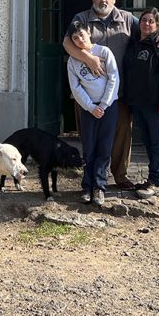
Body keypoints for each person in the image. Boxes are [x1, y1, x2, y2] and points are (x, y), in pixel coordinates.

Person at [63, 0, 159, 191]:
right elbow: (67, 43)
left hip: (119, 92)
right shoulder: (82, 18)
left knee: (122, 136)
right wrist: (88, 59)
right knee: (90, 137)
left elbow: (150, 28)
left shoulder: (127, 18)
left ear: (114, 0)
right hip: (87, 93)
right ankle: (92, 181)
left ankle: (120, 176)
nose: (103, 0)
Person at [123, 8, 159, 199]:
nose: (146, 24)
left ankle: (156, 182)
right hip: (139, 104)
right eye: (144, 20)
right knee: (148, 143)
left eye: (151, 21)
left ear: (157, 25)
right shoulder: (134, 44)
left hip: (157, 105)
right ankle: (156, 180)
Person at [65, 20, 119, 207]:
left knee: (104, 147)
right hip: (88, 109)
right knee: (89, 147)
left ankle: (99, 186)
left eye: (81, 34)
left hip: (108, 107)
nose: (79, 39)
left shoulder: (104, 52)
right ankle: (86, 186)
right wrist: (90, 107)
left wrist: (103, 105)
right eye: (75, 38)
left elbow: (113, 78)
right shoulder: (73, 61)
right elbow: (76, 87)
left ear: (88, 32)